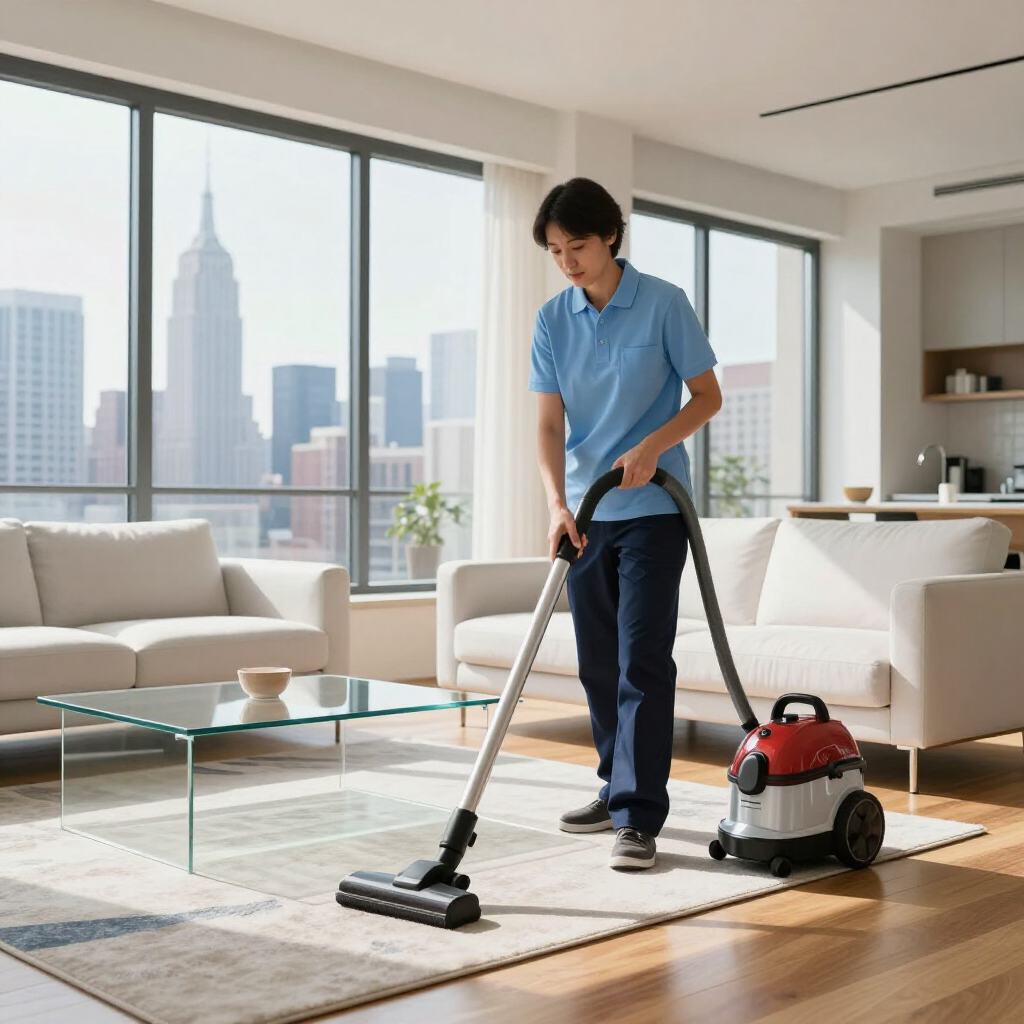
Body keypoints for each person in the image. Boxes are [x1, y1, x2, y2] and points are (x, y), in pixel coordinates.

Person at [529, 178, 722, 870]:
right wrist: (556, 503)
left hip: (653, 509)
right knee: (597, 661)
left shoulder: (664, 303)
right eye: (556, 251)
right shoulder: (553, 320)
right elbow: (549, 423)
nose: (568, 261)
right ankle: (615, 787)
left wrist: (652, 446)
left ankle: (638, 816)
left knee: (642, 657)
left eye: (576, 246)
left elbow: (708, 396)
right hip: (585, 512)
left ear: (611, 234)